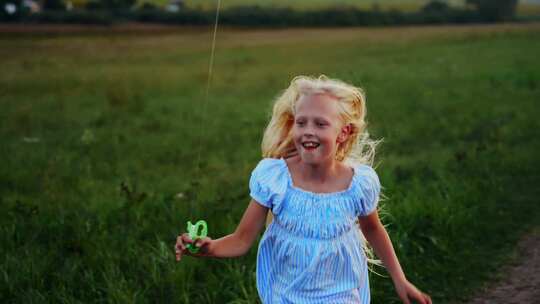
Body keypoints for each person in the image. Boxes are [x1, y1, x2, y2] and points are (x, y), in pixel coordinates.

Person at [175, 75, 432, 304]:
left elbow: (373, 229)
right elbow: (241, 240)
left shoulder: (357, 184)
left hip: (342, 293)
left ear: (343, 133)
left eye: (320, 124)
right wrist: (207, 248)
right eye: (301, 123)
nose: (308, 131)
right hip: (286, 294)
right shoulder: (276, 179)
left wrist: (400, 279)